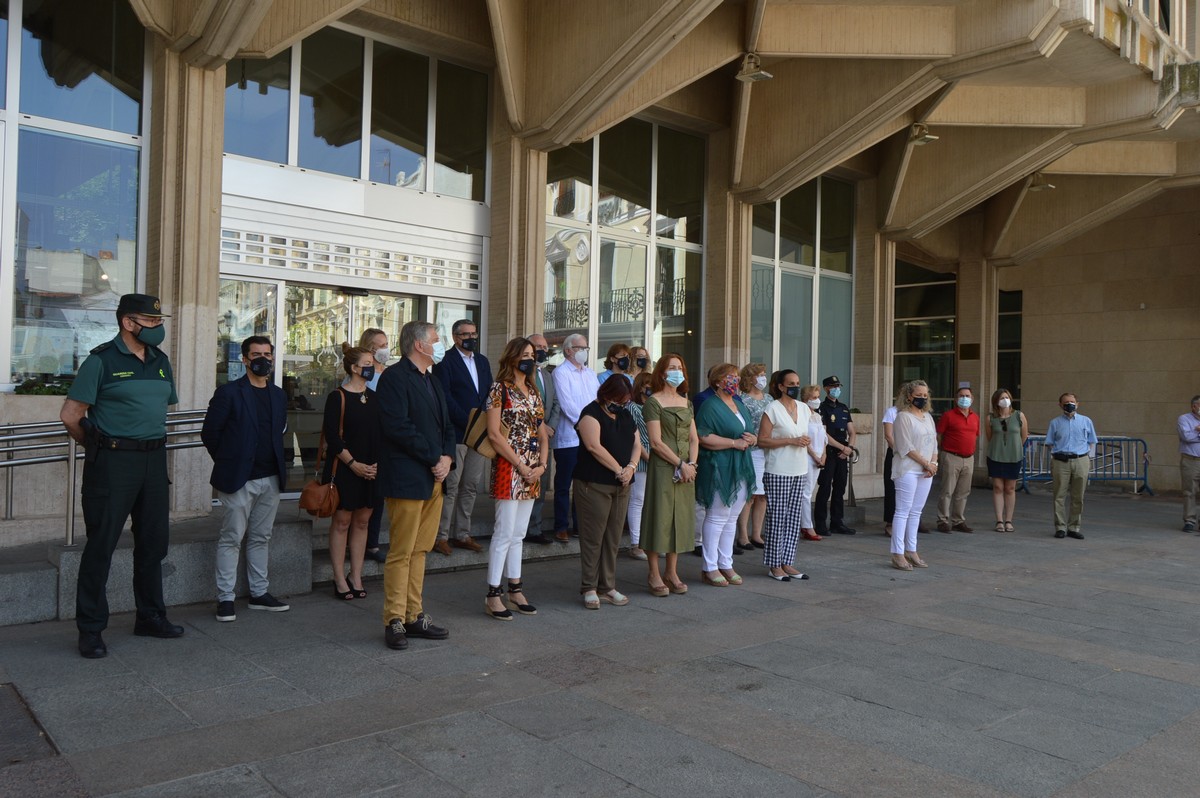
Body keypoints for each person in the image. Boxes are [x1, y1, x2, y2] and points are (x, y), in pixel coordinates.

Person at [60, 294, 184, 659]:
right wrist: (98, 446)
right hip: (113, 464)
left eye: (159, 321)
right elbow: (71, 414)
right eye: (151, 322)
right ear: (128, 323)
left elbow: (162, 406)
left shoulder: (160, 362)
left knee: (153, 543)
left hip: (153, 461)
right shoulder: (101, 361)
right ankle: (91, 629)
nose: (158, 328)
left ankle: (150, 616)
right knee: (101, 546)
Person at [375, 320, 455, 650]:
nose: (440, 345)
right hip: (408, 477)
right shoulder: (394, 378)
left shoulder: (433, 380)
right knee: (401, 551)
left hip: (434, 478)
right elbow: (398, 427)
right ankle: (393, 619)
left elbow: (448, 426)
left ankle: (414, 614)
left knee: (420, 550)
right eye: (436, 340)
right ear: (419, 345)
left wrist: (448, 458)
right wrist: (434, 457)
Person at [201, 335, 290, 622]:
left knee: (261, 537)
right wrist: (230, 462)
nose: (262, 359)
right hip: (239, 479)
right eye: (256, 354)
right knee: (231, 538)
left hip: (271, 478)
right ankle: (225, 598)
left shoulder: (278, 394)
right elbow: (210, 434)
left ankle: (259, 593)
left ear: (273, 358)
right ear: (245, 359)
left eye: (267, 354)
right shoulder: (228, 393)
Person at [483, 338, 549, 620]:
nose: (530, 359)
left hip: (533, 469)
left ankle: (515, 588)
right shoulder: (499, 389)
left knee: (519, 533)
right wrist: (520, 465)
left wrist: (542, 465)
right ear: (511, 357)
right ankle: (493, 594)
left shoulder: (533, 390)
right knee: (504, 532)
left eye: (532, 355)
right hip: (510, 468)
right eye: (524, 355)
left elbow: (543, 431)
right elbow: (494, 434)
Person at [574, 375, 638, 609]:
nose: (621, 405)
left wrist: (631, 468)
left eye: (625, 401)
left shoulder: (625, 413)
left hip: (622, 485)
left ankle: (607, 586)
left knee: (612, 538)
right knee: (593, 537)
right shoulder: (590, 413)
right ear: (606, 394)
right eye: (618, 400)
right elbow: (593, 446)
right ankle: (589, 587)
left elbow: (636, 442)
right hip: (594, 483)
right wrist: (619, 469)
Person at [322, 345, 380, 601]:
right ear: (355, 368)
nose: (372, 366)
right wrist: (353, 464)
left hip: (371, 469)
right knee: (342, 522)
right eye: (368, 362)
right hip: (346, 468)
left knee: (362, 522)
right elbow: (333, 438)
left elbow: (381, 435)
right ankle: (338, 577)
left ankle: (356, 575)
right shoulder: (337, 396)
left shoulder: (375, 397)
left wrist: (375, 465)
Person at [641, 353, 699, 596]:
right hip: (664, 467)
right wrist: (680, 464)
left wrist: (692, 464)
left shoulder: (687, 402)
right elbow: (655, 442)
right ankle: (654, 572)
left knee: (679, 519)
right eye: (672, 367)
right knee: (660, 516)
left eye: (680, 367)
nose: (677, 371)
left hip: (686, 468)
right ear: (662, 373)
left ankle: (672, 571)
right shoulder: (653, 402)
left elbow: (694, 438)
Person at [695, 363, 757, 587]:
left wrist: (752, 439)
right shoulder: (710, 405)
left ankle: (726, 563)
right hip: (720, 465)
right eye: (731, 377)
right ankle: (710, 567)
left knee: (732, 518)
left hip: (741, 464)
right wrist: (733, 442)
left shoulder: (738, 404)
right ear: (718, 381)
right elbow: (703, 436)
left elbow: (749, 431)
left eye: (737, 377)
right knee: (718, 516)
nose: (736, 380)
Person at [434, 318, 490, 555]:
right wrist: (469, 421)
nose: (471, 338)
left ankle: (462, 534)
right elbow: (445, 398)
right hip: (457, 433)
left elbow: (489, 392)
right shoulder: (445, 361)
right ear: (456, 337)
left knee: (471, 485)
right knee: (452, 485)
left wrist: (483, 422)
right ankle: (441, 536)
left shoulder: (482, 361)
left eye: (473, 333)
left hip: (479, 436)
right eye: (466, 334)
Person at [758, 370, 813, 581]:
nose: (796, 387)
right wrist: (790, 441)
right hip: (778, 469)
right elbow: (762, 440)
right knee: (777, 517)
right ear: (781, 386)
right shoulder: (772, 409)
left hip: (799, 468)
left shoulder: (803, 408)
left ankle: (787, 561)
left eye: (798, 383)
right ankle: (774, 565)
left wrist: (805, 441)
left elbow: (805, 433)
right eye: (791, 383)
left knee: (793, 518)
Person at [551, 333, 600, 541]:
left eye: (586, 348)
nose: (584, 351)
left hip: (590, 437)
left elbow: (599, 401)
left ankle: (580, 525)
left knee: (585, 484)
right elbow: (566, 404)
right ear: (568, 350)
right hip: (568, 438)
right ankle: (561, 526)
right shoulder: (560, 373)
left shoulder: (590, 374)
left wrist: (596, 426)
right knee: (563, 484)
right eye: (581, 348)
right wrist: (585, 425)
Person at [890, 380, 937, 570]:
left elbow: (934, 442)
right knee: (903, 510)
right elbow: (905, 446)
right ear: (909, 396)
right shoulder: (903, 417)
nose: (922, 398)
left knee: (916, 511)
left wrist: (933, 463)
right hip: (908, 468)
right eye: (919, 395)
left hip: (926, 470)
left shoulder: (928, 417)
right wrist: (926, 463)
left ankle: (912, 550)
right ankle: (897, 553)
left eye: (925, 395)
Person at [1045, 392, 1098, 540]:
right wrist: (1056, 455)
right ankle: (1060, 527)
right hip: (1061, 461)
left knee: (1078, 496)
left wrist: (1089, 459)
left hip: (1081, 460)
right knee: (1059, 496)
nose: (1070, 404)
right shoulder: (1055, 423)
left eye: (1072, 401)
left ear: (1077, 404)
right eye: (1066, 402)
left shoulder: (1086, 421)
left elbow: (1092, 441)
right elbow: (1049, 443)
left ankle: (1074, 527)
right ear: (1061, 405)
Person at [358, 328, 391, 563]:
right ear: (370, 348)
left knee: (378, 497)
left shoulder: (390, 374)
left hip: (385, 442)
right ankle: (356, 542)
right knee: (361, 498)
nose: (385, 349)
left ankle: (372, 544)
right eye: (381, 345)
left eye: (387, 343)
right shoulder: (363, 376)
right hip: (363, 442)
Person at [524, 333, 559, 545]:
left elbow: (555, 403)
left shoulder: (547, 375)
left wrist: (550, 427)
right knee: (527, 482)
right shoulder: (522, 374)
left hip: (546, 440)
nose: (543, 350)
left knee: (542, 484)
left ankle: (534, 529)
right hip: (527, 438)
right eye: (538, 346)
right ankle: (523, 527)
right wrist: (541, 426)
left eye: (545, 346)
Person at [814, 375, 857, 535]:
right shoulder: (822, 408)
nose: (836, 389)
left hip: (843, 454)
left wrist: (850, 448)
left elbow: (852, 431)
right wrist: (842, 448)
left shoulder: (844, 408)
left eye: (838, 386)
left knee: (840, 488)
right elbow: (823, 434)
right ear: (826, 388)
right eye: (833, 386)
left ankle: (837, 522)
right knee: (825, 488)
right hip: (830, 452)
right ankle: (820, 524)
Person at [736, 363, 772, 552]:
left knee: (763, 496)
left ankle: (757, 534)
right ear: (750, 378)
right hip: (753, 451)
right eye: (759, 375)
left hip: (769, 451)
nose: (763, 378)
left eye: (764, 374)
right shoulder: (742, 400)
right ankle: (743, 535)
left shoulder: (769, 398)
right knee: (750, 494)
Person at [935, 384, 980, 533]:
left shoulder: (975, 417)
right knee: (947, 490)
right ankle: (942, 520)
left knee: (963, 491)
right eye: (961, 396)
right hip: (951, 456)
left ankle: (958, 520)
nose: (964, 399)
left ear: (972, 399)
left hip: (969, 458)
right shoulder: (948, 415)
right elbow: (939, 435)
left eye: (967, 396)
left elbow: (975, 435)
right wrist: (943, 453)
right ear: (956, 399)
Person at [984, 388, 1027, 533]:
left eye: (1007, 397)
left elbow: (1024, 436)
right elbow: (990, 437)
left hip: (1013, 456)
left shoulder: (1019, 416)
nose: (1005, 400)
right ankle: (999, 520)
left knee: (1010, 488)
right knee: (998, 487)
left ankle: (1009, 520)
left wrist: (1013, 447)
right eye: (1002, 397)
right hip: (996, 456)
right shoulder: (991, 418)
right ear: (996, 401)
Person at [626, 372, 653, 560]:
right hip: (642, 459)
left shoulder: (654, 407)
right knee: (638, 500)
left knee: (650, 502)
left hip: (658, 458)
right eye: (648, 385)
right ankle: (635, 544)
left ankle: (649, 542)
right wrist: (648, 457)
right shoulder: (633, 408)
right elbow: (634, 438)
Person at [800, 385, 826, 541]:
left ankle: (806, 524)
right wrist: (815, 456)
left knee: (809, 491)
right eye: (814, 397)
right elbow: (803, 437)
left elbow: (823, 437)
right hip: (807, 457)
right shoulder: (803, 414)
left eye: (818, 397)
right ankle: (807, 526)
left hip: (818, 457)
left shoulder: (817, 415)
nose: (817, 400)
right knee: (806, 493)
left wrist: (823, 454)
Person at [1180, 395, 1200, 533]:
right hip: (1191, 460)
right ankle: (1189, 521)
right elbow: (1186, 437)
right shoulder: (1184, 419)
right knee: (1189, 491)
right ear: (1194, 406)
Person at [881, 401, 897, 535]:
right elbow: (889, 435)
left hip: (915, 455)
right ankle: (890, 522)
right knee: (892, 488)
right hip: (896, 453)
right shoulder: (892, 412)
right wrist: (900, 451)